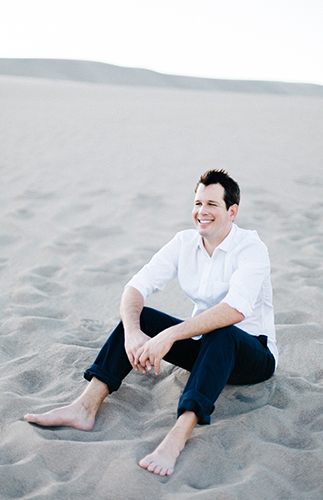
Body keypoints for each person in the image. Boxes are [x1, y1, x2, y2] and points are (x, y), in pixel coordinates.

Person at [24, 169, 278, 477]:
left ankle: (177, 437)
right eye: (198, 203)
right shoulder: (185, 243)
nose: (202, 212)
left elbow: (234, 311)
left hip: (253, 356)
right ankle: (84, 408)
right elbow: (136, 286)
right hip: (205, 349)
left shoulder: (251, 248)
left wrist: (169, 335)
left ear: (232, 211)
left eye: (212, 204)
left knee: (221, 331)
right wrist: (133, 333)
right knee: (140, 316)